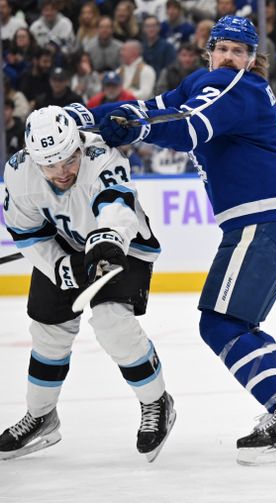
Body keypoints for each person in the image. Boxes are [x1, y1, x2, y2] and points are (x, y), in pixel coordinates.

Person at [72, 15, 276, 465]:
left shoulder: (237, 86)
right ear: (209, 52)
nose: (229, 58)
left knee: (220, 323)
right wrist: (83, 120)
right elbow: (150, 109)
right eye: (223, 49)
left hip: (265, 215)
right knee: (236, 324)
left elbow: (190, 128)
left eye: (239, 51)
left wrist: (139, 130)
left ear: (251, 60)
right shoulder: (201, 82)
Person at [0, 105, 175, 462]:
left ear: (78, 145)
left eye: (68, 161)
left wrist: (107, 239)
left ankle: (156, 402)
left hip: (122, 243)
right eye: (50, 165)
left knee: (112, 322)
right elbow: (27, 234)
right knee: (48, 331)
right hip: (66, 246)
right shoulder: (18, 172)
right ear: (33, 158)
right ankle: (42, 415)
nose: (61, 172)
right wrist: (57, 265)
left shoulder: (101, 156)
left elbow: (116, 205)